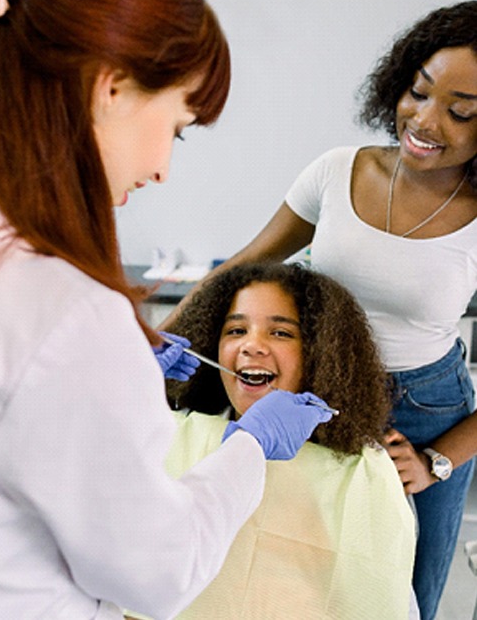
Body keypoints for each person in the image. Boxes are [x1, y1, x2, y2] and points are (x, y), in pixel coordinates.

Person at [0, 0, 333, 619]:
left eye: (280, 330)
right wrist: (249, 448)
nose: (165, 167)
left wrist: (117, 375)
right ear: (109, 86)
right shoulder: (67, 310)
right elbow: (159, 572)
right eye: (179, 125)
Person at [161, 0, 477, 620]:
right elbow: (240, 269)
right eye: (418, 92)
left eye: (461, 112)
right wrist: (157, 339)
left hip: (424, 413)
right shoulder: (338, 172)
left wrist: (439, 460)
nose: (425, 120)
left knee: (406, 592)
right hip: (314, 389)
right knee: (292, 576)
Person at [146, 263, 416, 620]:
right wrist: (120, 385)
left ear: (322, 352)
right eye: (237, 329)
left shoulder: (364, 474)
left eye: (281, 333)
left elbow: (383, 592)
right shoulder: (168, 436)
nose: (252, 345)